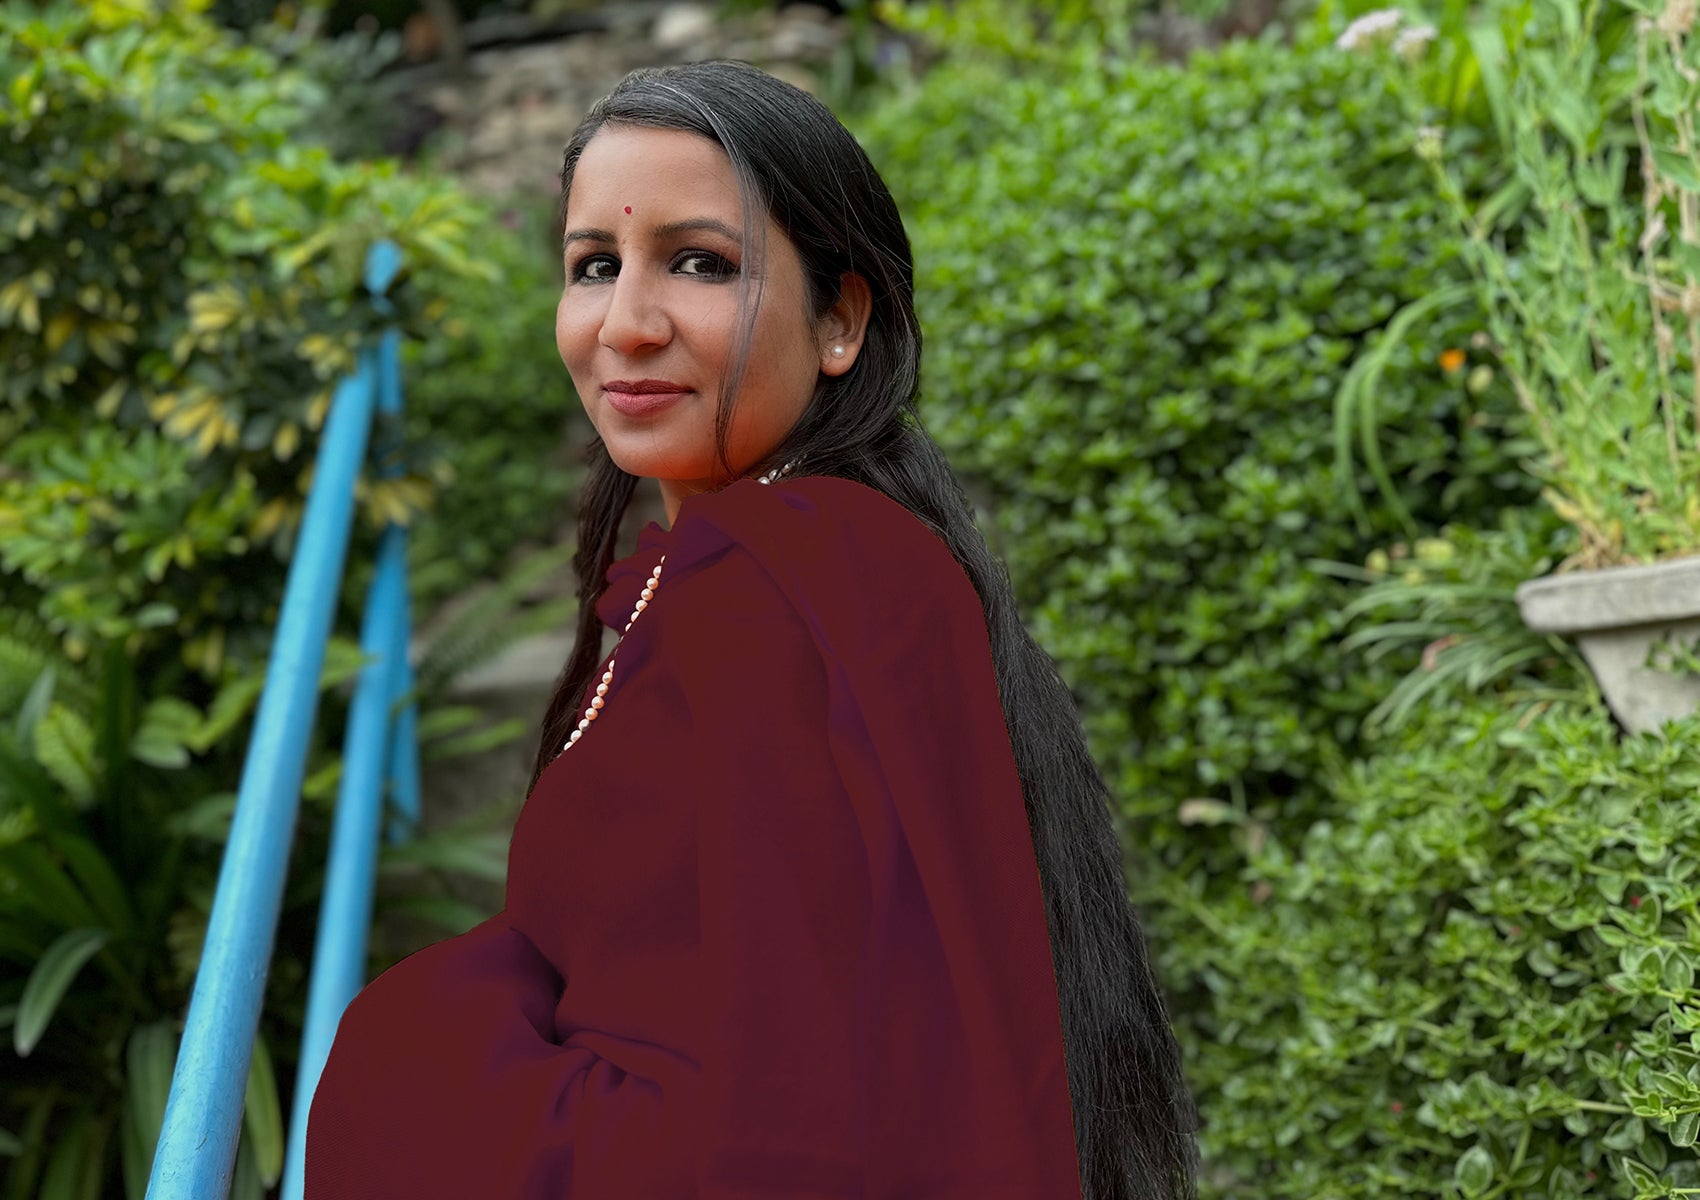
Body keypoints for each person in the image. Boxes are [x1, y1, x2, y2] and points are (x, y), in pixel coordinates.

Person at [305, 60, 1196, 1200]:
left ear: (839, 320)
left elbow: (770, 1148)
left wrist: (415, 1043)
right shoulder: (741, 570)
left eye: (698, 263)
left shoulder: (782, 592)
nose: (625, 324)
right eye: (592, 266)